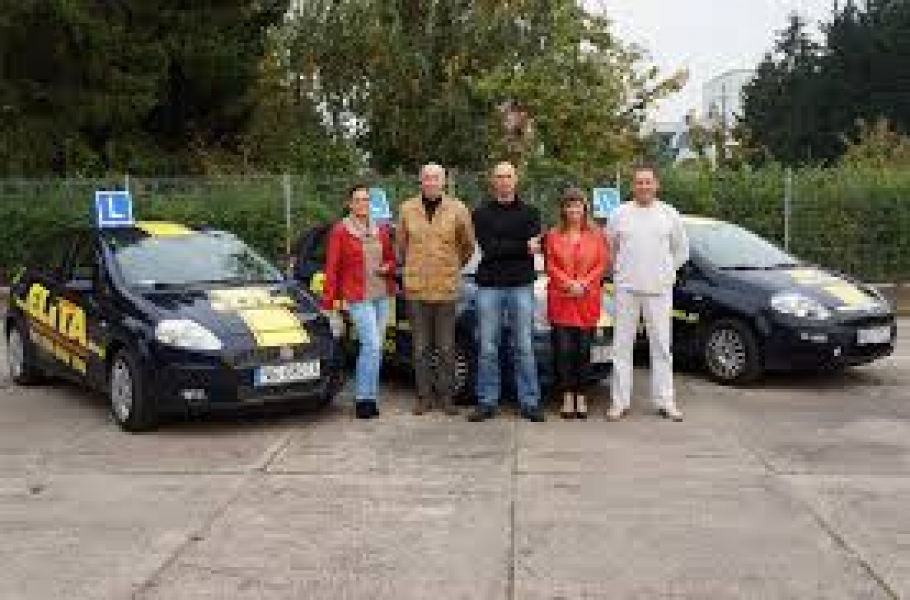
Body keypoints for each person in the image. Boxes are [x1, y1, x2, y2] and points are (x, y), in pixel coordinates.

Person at [606, 165, 689, 422]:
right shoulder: (619, 214)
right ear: (633, 186)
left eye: (648, 182)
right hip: (627, 290)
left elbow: (681, 251)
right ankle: (619, 402)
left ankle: (665, 401)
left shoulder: (669, 214)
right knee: (621, 348)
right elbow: (610, 249)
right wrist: (619, 273)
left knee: (662, 347)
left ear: (656, 185)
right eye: (639, 182)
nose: (644, 186)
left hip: (659, 291)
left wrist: (666, 273)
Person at [468, 162, 545, 423]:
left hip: (521, 285)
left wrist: (507, 246)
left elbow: (525, 247)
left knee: (524, 346)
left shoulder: (532, 213)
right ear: (493, 181)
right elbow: (490, 249)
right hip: (489, 286)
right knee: (488, 346)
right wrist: (522, 246)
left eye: (508, 176)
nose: (504, 181)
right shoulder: (480, 214)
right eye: (499, 176)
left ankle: (530, 402)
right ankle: (487, 401)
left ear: (516, 180)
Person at [397, 164, 475, 415]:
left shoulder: (458, 209)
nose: (431, 182)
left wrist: (451, 266)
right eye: (427, 178)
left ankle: (446, 397)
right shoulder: (407, 209)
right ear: (420, 182)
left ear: (444, 182)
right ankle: (423, 397)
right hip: (417, 289)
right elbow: (401, 246)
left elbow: (468, 245)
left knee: (446, 347)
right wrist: (413, 266)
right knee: (420, 348)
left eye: (435, 178)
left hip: (446, 289)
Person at [321, 184, 397, 420]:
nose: (362, 204)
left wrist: (388, 267)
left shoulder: (380, 229)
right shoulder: (340, 230)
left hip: (381, 294)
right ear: (350, 204)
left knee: (376, 348)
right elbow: (332, 267)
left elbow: (391, 258)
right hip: (357, 296)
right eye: (358, 200)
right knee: (371, 345)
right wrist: (329, 304)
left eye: (366, 199)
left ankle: (370, 397)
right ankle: (363, 399)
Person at [543, 188, 609, 419]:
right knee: (563, 352)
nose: (573, 210)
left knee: (583, 351)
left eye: (578, 205)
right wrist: (568, 283)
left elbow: (601, 264)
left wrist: (583, 284)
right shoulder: (553, 234)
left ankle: (581, 395)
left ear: (584, 208)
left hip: (586, 300)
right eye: (569, 205)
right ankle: (566, 396)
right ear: (563, 209)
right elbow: (550, 265)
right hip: (561, 300)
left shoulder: (597, 234)